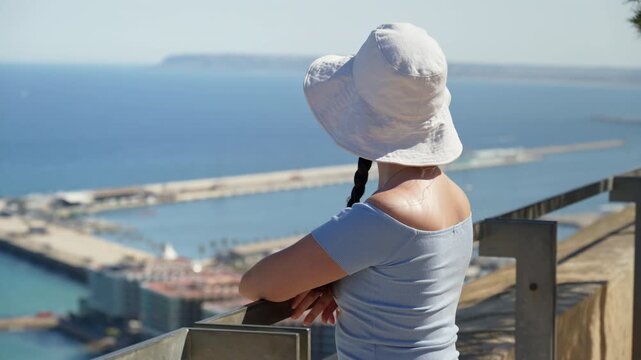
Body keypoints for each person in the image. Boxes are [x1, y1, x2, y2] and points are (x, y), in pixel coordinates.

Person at [239, 23, 473, 360]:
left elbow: (255, 284)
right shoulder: (455, 198)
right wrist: (344, 280)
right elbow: (404, 284)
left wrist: (323, 273)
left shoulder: (386, 215)